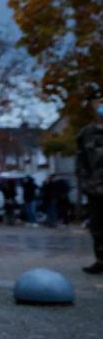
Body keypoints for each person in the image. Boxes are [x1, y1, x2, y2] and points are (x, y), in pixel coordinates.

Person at [77, 99, 103, 274]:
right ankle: (101, 259)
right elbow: (82, 162)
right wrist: (85, 183)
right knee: (98, 226)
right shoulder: (86, 133)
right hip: (96, 187)